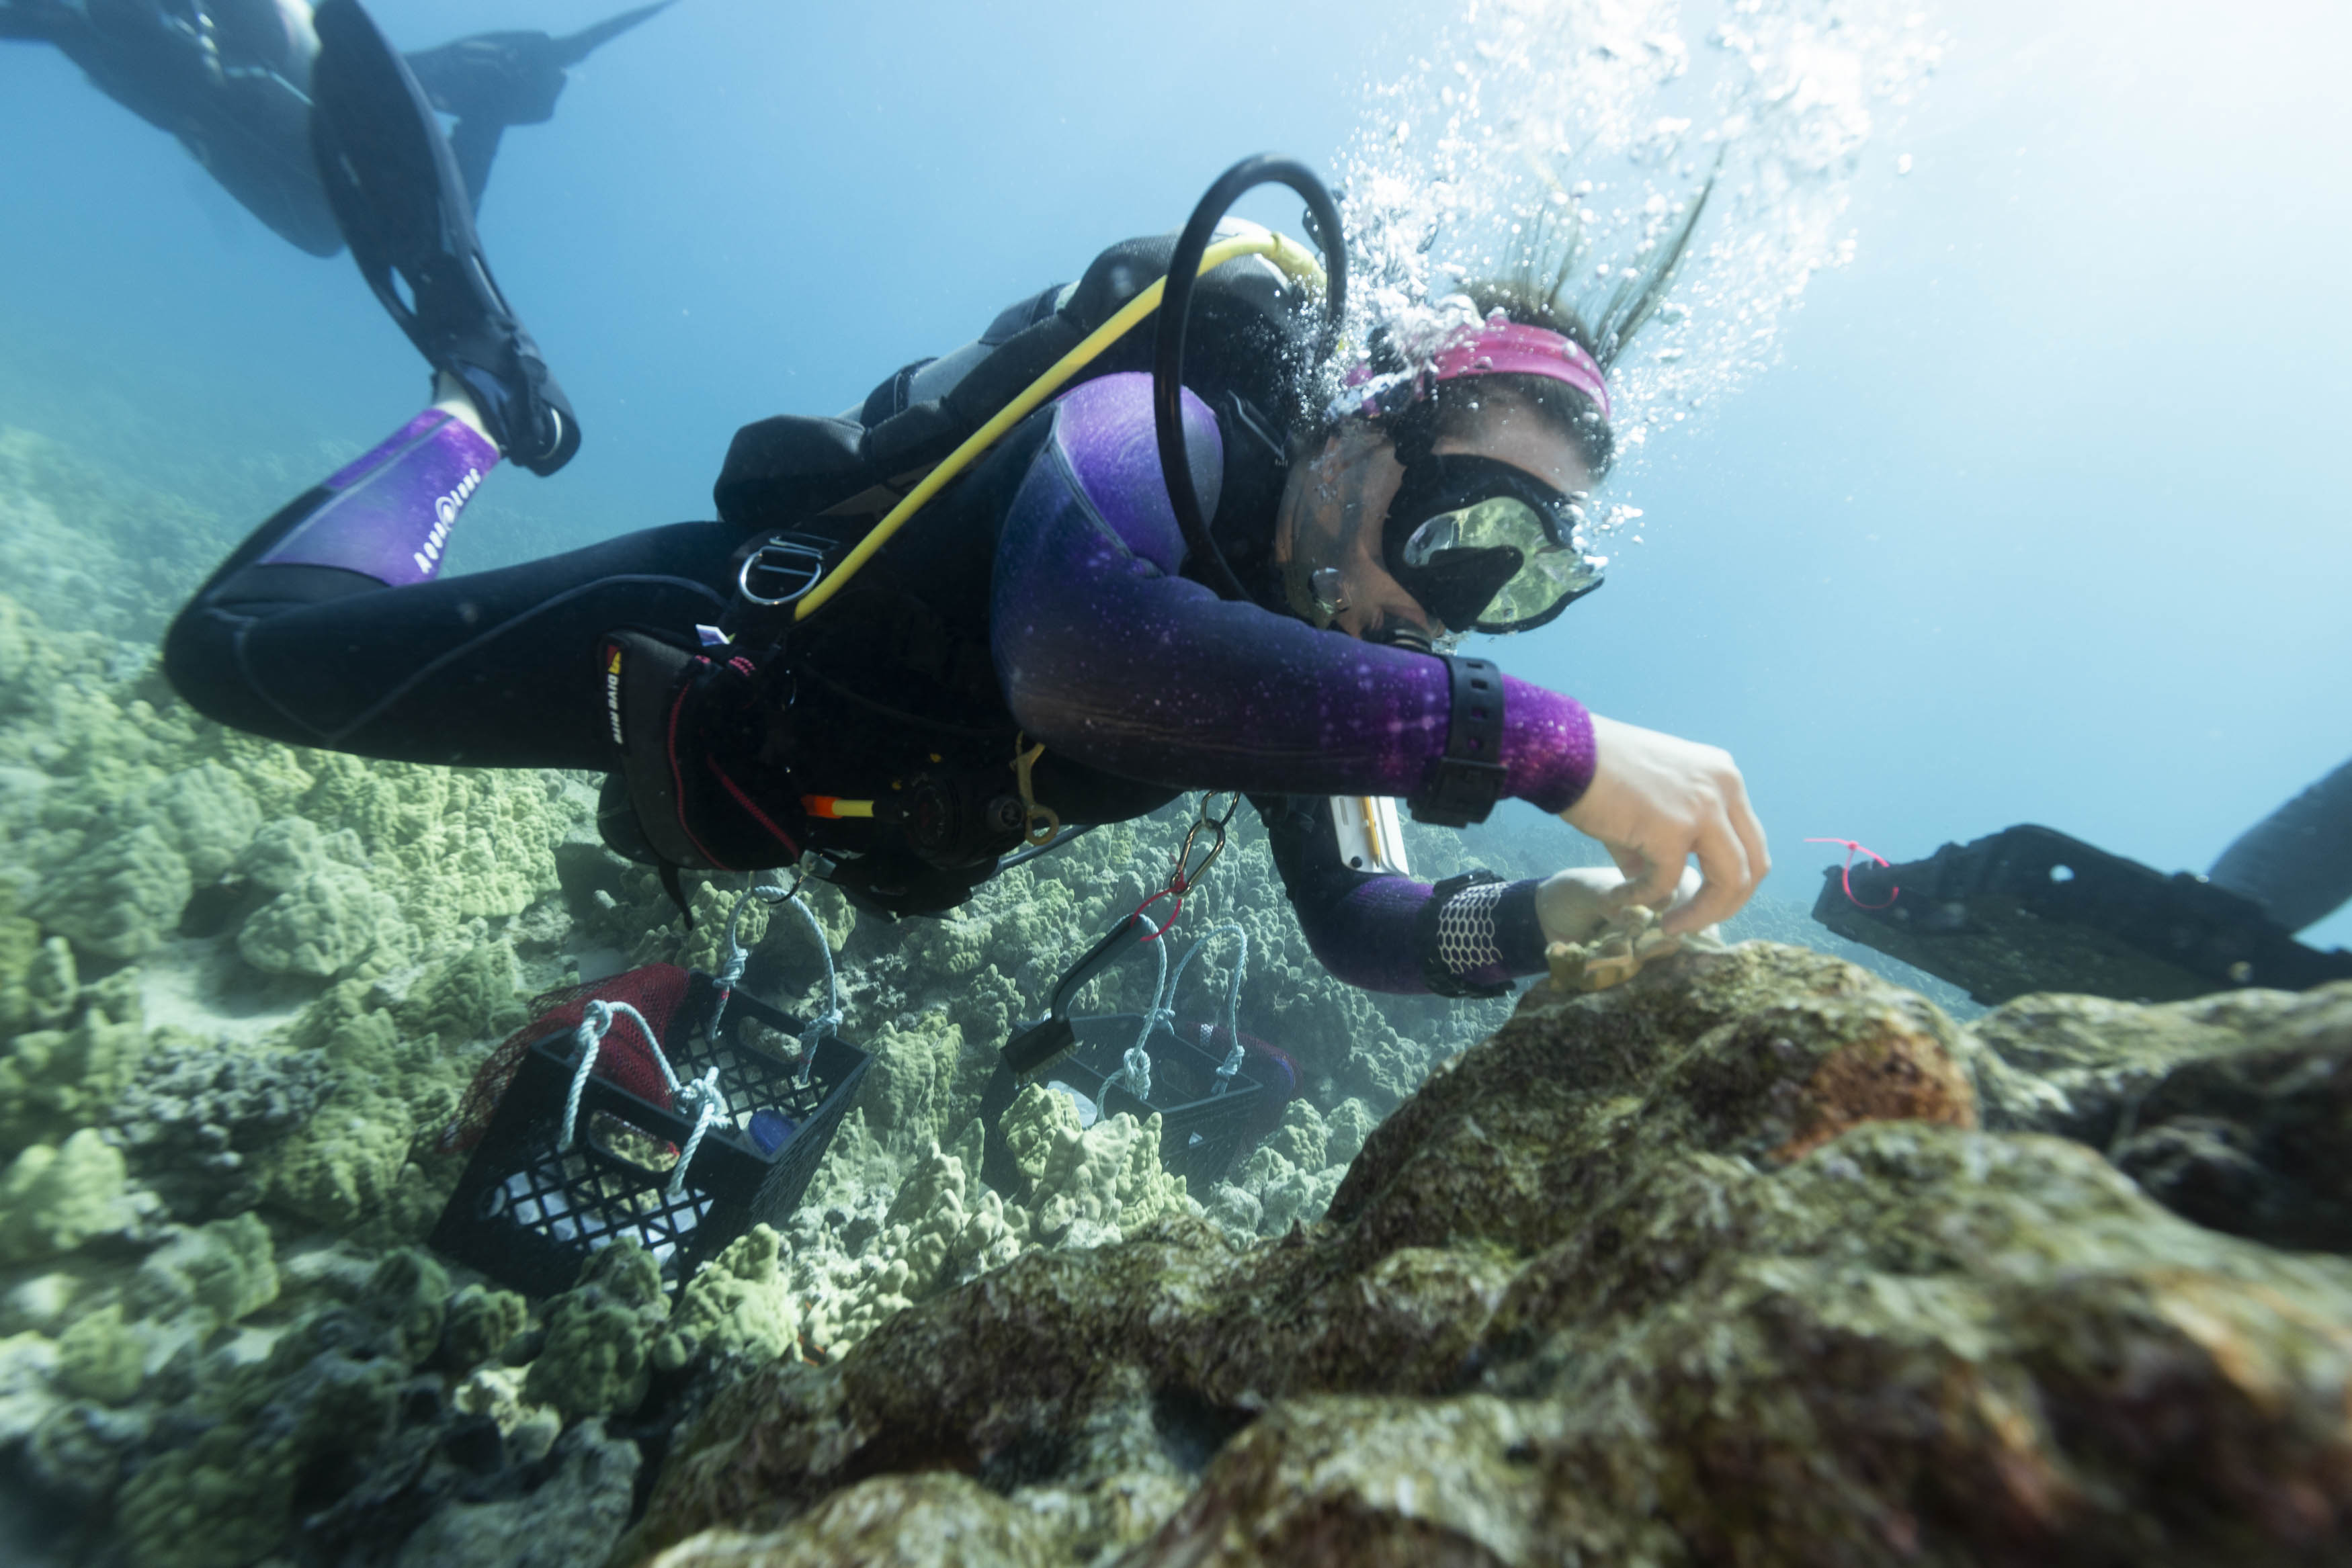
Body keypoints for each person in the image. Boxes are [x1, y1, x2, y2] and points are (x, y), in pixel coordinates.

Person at [163, 0, 1769, 1003]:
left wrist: (1550, 917)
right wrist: (1541, 741)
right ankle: (471, 391)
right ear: (1360, 438)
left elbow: (1362, 917)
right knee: (236, 653)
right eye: (1463, 530)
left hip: (810, 808)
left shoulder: (1325, 640)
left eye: (1521, 584)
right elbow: (1076, 652)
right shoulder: (1195, 437)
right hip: (717, 636)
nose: (1451, 610)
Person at [0, 0, 669, 256]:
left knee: (104, 44)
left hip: (237, 105)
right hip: (240, 98)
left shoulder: (396, 92)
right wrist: (491, 108)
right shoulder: (388, 92)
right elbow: (442, 226)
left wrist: (490, 104)